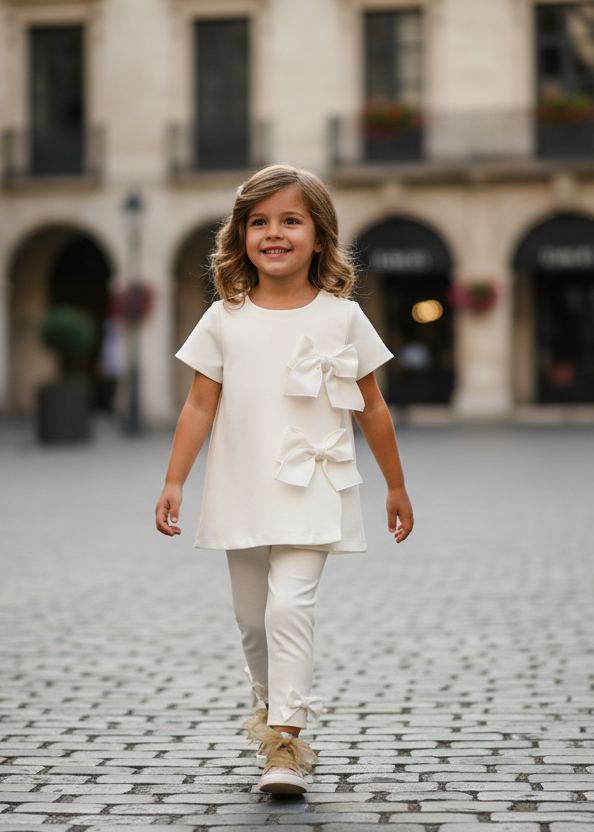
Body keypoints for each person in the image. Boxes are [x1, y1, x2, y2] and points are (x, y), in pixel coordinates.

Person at [155, 165, 414, 795]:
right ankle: (271, 717)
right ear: (241, 235)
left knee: (290, 606)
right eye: (259, 222)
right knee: (252, 620)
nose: (274, 233)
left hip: (314, 486)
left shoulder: (343, 318)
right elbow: (197, 407)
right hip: (241, 487)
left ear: (319, 236)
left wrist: (395, 486)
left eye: (290, 220)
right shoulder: (224, 317)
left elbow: (372, 408)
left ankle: (286, 745)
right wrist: (174, 481)